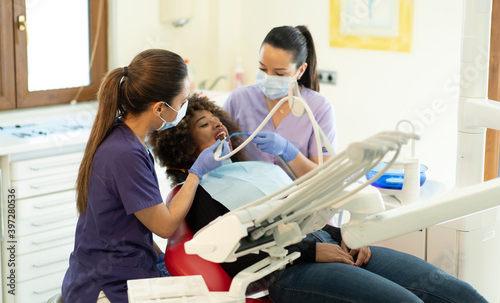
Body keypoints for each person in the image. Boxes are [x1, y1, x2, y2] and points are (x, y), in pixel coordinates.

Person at [150, 93, 488, 303]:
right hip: (287, 271)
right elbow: (236, 255)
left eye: (216, 120)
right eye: (204, 125)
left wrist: (348, 237)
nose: (217, 127)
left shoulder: (256, 169)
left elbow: (308, 213)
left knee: (455, 293)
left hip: (330, 243)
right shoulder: (196, 194)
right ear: (182, 144)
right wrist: (313, 251)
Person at [61, 49, 228, 303]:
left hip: (116, 272)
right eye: (182, 103)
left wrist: (162, 263)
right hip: (107, 288)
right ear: (160, 107)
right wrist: (197, 173)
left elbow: (140, 225)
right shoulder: (125, 153)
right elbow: (164, 225)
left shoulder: (125, 139)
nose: (184, 109)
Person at [224, 25, 337, 178]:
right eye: (263, 69)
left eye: (279, 73)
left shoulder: (319, 108)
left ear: (300, 70)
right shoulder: (238, 100)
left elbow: (323, 178)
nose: (269, 77)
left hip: (296, 199)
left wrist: (288, 151)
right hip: (247, 197)